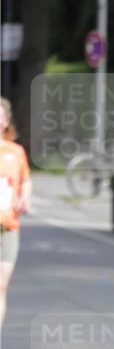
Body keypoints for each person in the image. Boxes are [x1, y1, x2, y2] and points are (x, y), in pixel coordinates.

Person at [0, 97, 32, 328]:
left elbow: (26, 180)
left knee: (1, 285)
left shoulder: (16, 151)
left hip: (7, 225)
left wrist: (25, 196)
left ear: (6, 120)